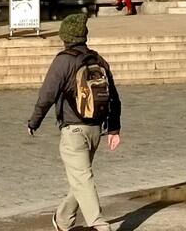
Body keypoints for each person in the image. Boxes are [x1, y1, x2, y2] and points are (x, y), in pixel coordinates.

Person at [26, 14, 123, 231]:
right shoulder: (98, 60)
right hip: (95, 129)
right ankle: (63, 219)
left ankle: (99, 224)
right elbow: (114, 97)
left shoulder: (64, 61)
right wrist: (114, 129)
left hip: (74, 130)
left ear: (65, 37)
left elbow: (47, 95)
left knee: (82, 178)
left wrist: (34, 122)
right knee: (80, 177)